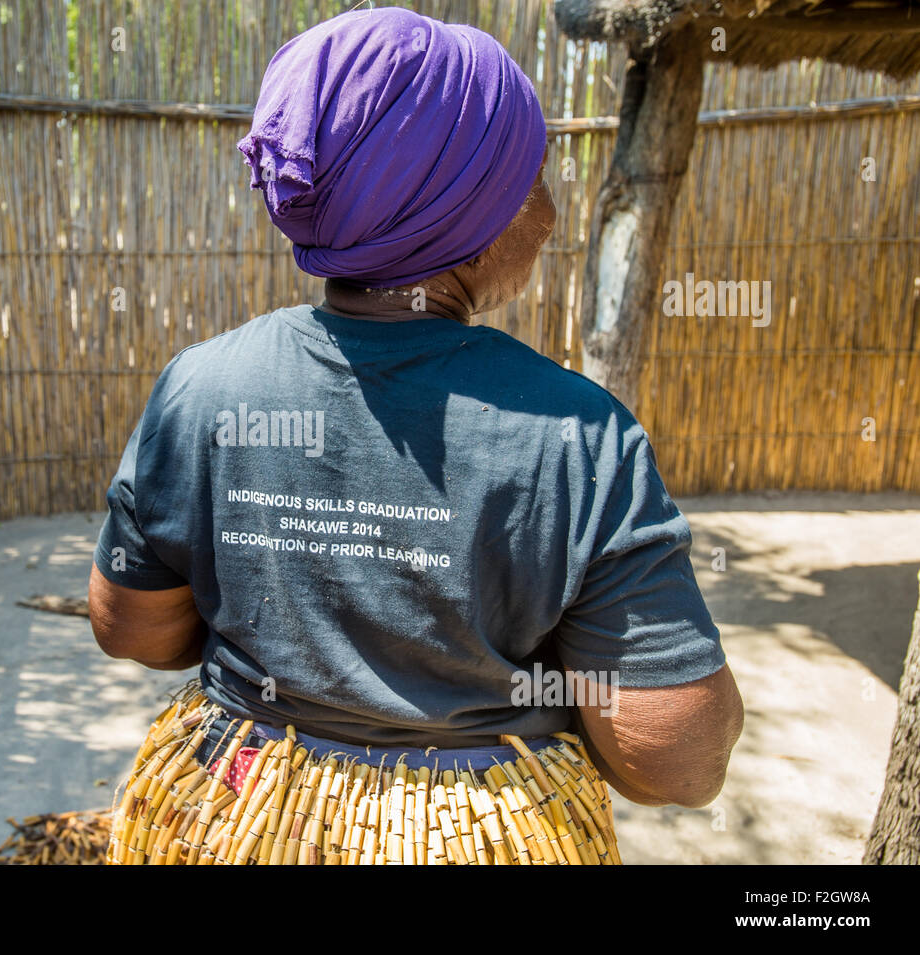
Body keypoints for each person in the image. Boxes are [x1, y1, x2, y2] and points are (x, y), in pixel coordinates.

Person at [88, 7, 743, 865]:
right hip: (479, 834)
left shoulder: (202, 387)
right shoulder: (580, 437)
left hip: (228, 816)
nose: (548, 211)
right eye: (530, 176)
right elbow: (674, 759)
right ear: (465, 216)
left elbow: (133, 630)